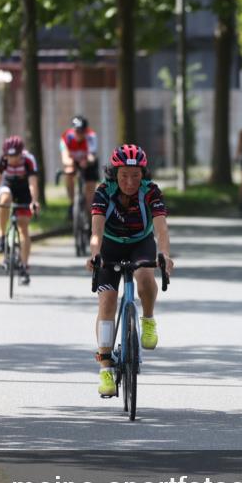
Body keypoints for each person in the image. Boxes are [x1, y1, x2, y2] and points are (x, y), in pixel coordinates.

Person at [87, 144, 175, 397]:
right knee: (106, 302)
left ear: (143, 174)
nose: (130, 181)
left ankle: (147, 319)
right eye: (124, 174)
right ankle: (105, 368)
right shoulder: (104, 192)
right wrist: (95, 255)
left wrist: (165, 254)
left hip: (140, 243)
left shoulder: (151, 192)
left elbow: (161, 229)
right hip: (110, 246)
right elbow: (96, 233)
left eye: (136, 175)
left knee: (146, 278)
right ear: (114, 173)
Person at [0, 135, 40, 285]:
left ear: (21, 153)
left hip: (24, 190)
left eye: (15, 156)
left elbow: (32, 184)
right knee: (3, 200)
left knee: (23, 228)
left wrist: (34, 201)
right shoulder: (1, 160)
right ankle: (1, 236)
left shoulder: (29, 160)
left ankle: (23, 267)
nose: (12, 159)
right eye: (9, 156)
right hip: (8, 185)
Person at [60, 114, 100, 221]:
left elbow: (92, 156)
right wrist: (72, 163)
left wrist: (87, 161)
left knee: (89, 195)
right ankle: (72, 203)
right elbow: (65, 157)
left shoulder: (91, 136)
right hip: (73, 162)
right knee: (68, 172)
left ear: (85, 130)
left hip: (88, 163)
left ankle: (90, 218)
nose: (79, 134)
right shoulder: (66, 137)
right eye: (77, 131)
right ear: (72, 130)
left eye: (82, 131)